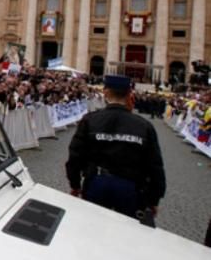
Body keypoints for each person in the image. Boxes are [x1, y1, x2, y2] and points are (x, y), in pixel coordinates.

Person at [66, 75, 166, 220]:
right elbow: (155, 165)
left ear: (105, 92)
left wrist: (75, 184)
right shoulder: (144, 126)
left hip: (97, 182)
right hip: (130, 187)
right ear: (129, 94)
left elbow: (75, 155)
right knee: (125, 234)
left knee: (90, 228)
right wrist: (153, 199)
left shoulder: (90, 120)